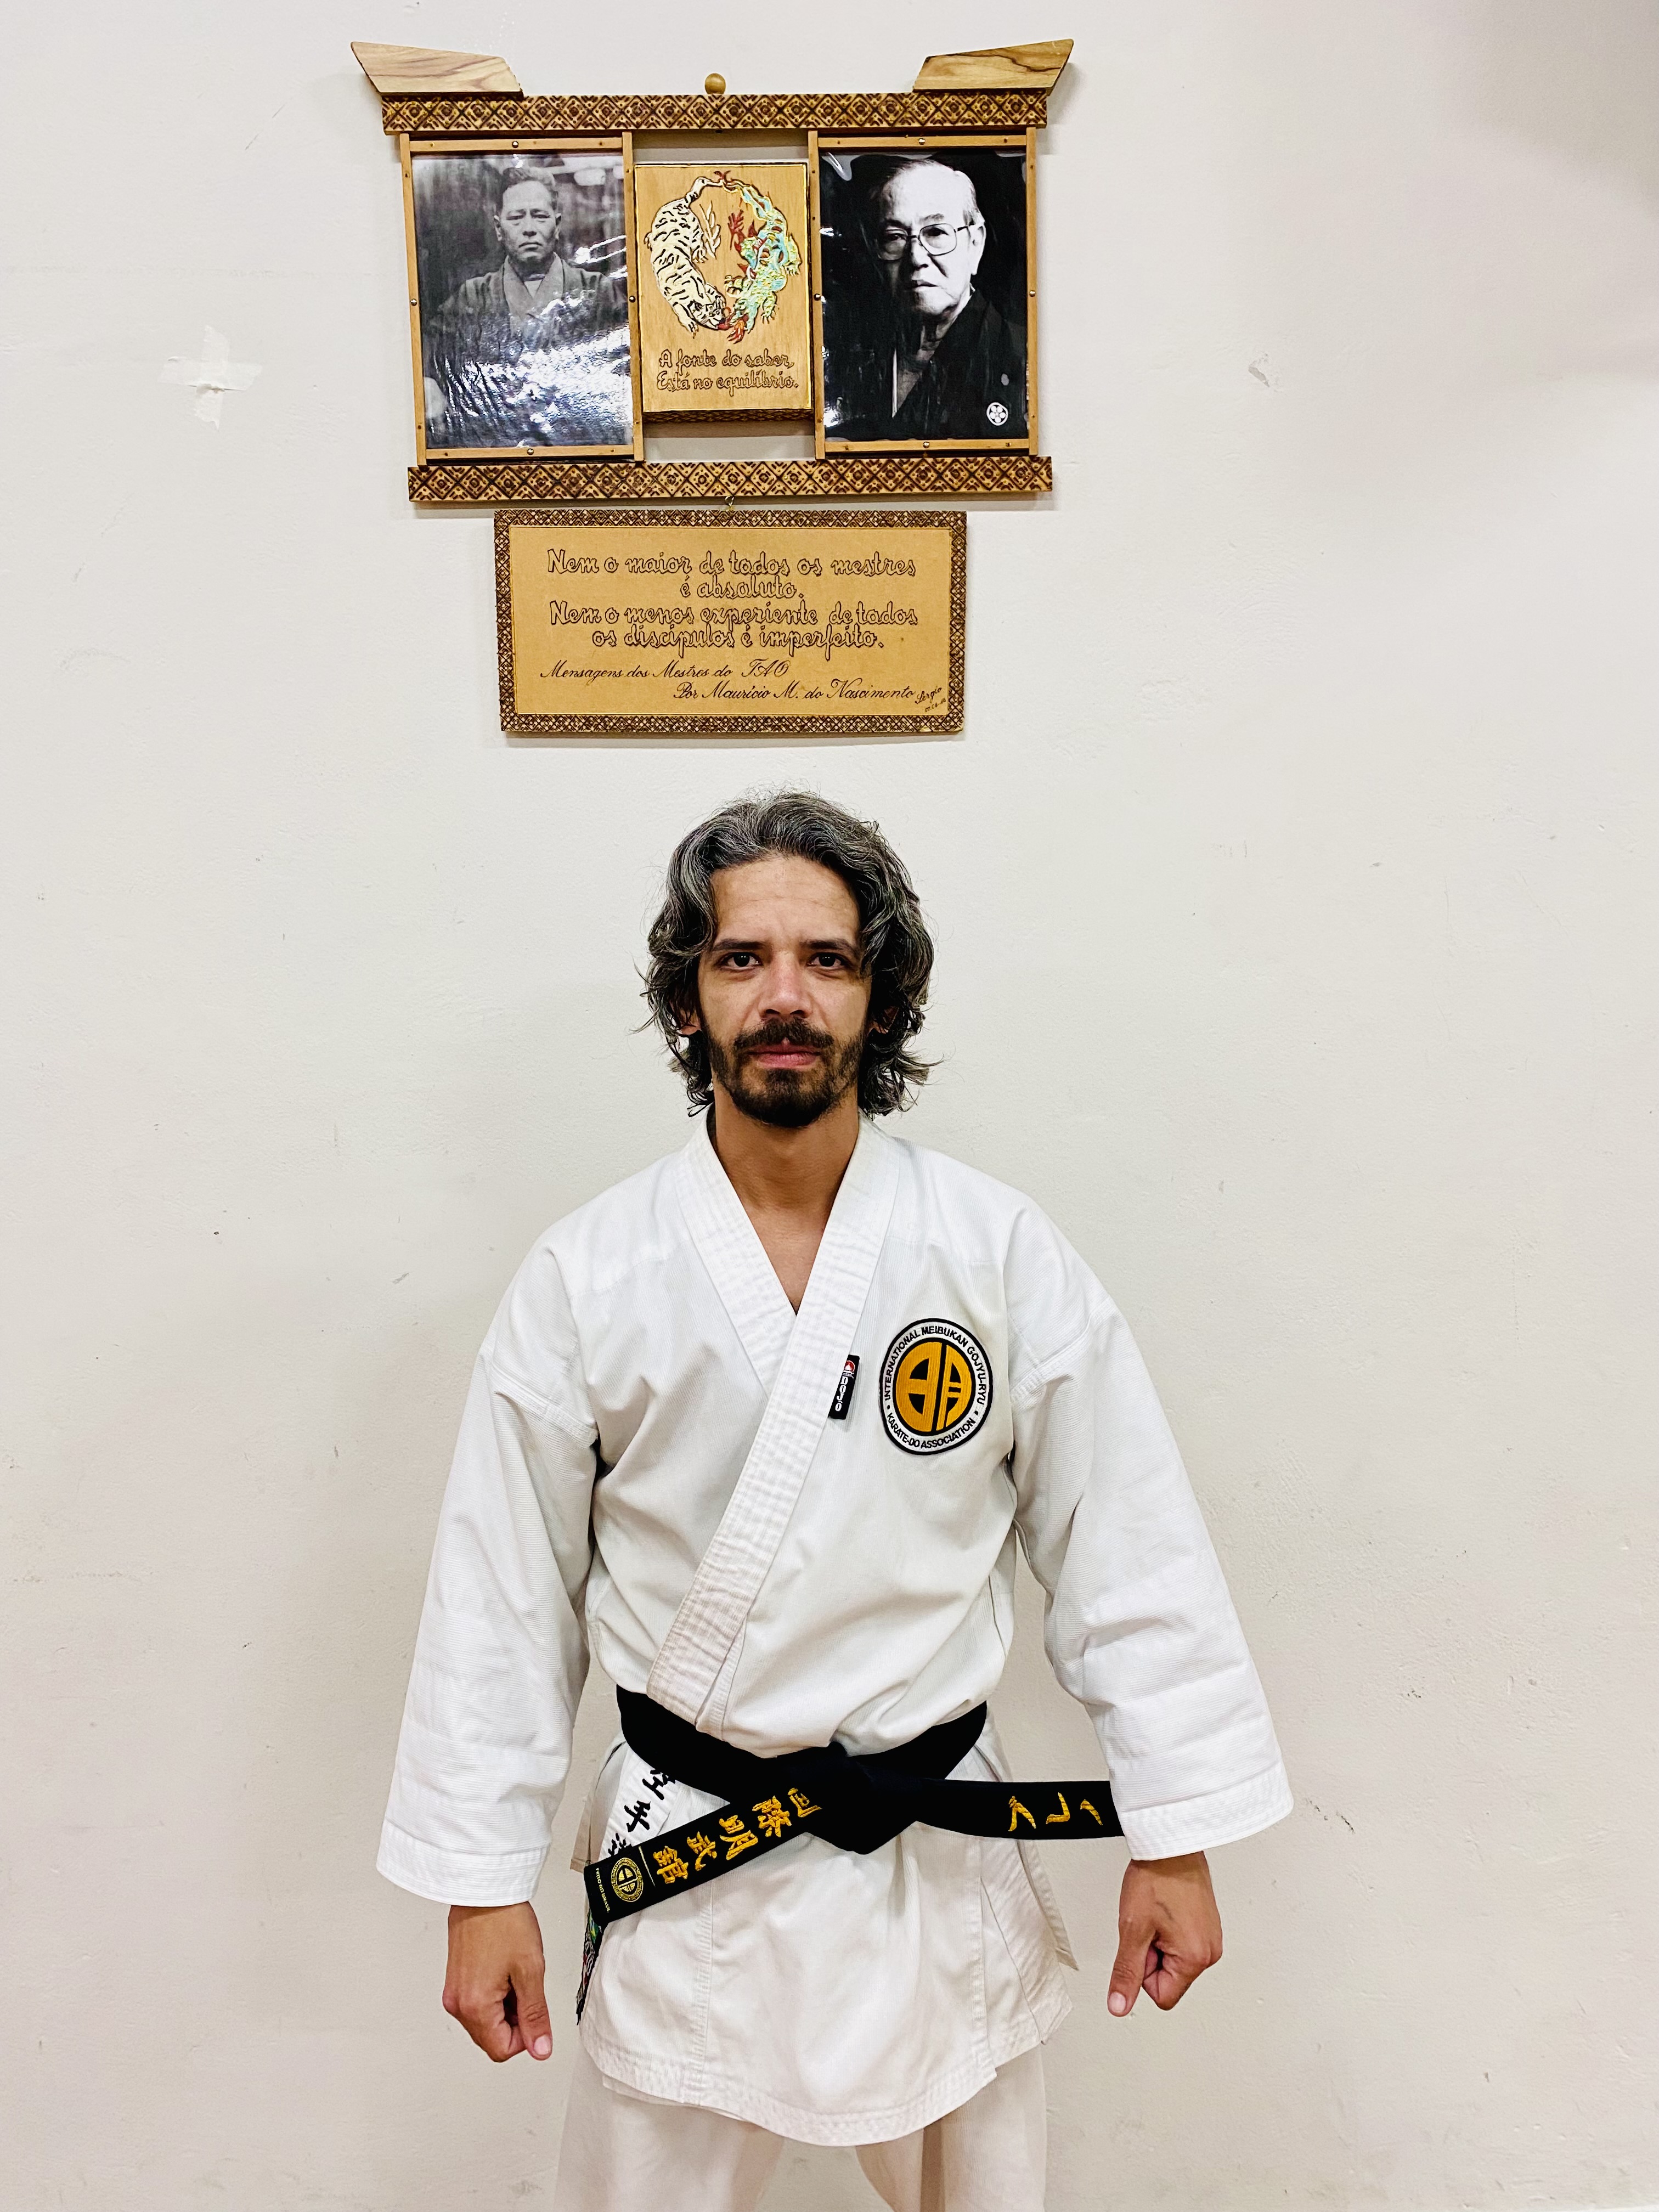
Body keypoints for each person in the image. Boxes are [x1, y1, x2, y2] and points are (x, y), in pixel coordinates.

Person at [377, 792, 1291, 2212]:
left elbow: (1128, 1547)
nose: (784, 997)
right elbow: (502, 1598)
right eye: (742, 959)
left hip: (936, 1859)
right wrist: (481, 1884)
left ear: (883, 993)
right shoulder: (589, 1275)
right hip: (693, 1856)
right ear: (691, 997)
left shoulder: (994, 1251)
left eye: (827, 959)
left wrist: (1177, 1837)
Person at [421, 165, 627, 448]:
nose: (529, 228)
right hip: (497, 451)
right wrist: (428, 384)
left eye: (539, 216)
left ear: (557, 225)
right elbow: (425, 355)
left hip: (577, 450)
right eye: (516, 218)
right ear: (499, 229)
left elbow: (630, 364)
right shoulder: (472, 297)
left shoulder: (597, 292)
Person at [827, 158, 1028, 443]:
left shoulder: (1020, 354)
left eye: (936, 232)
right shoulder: (854, 355)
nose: (916, 258)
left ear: (975, 244)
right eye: (895, 237)